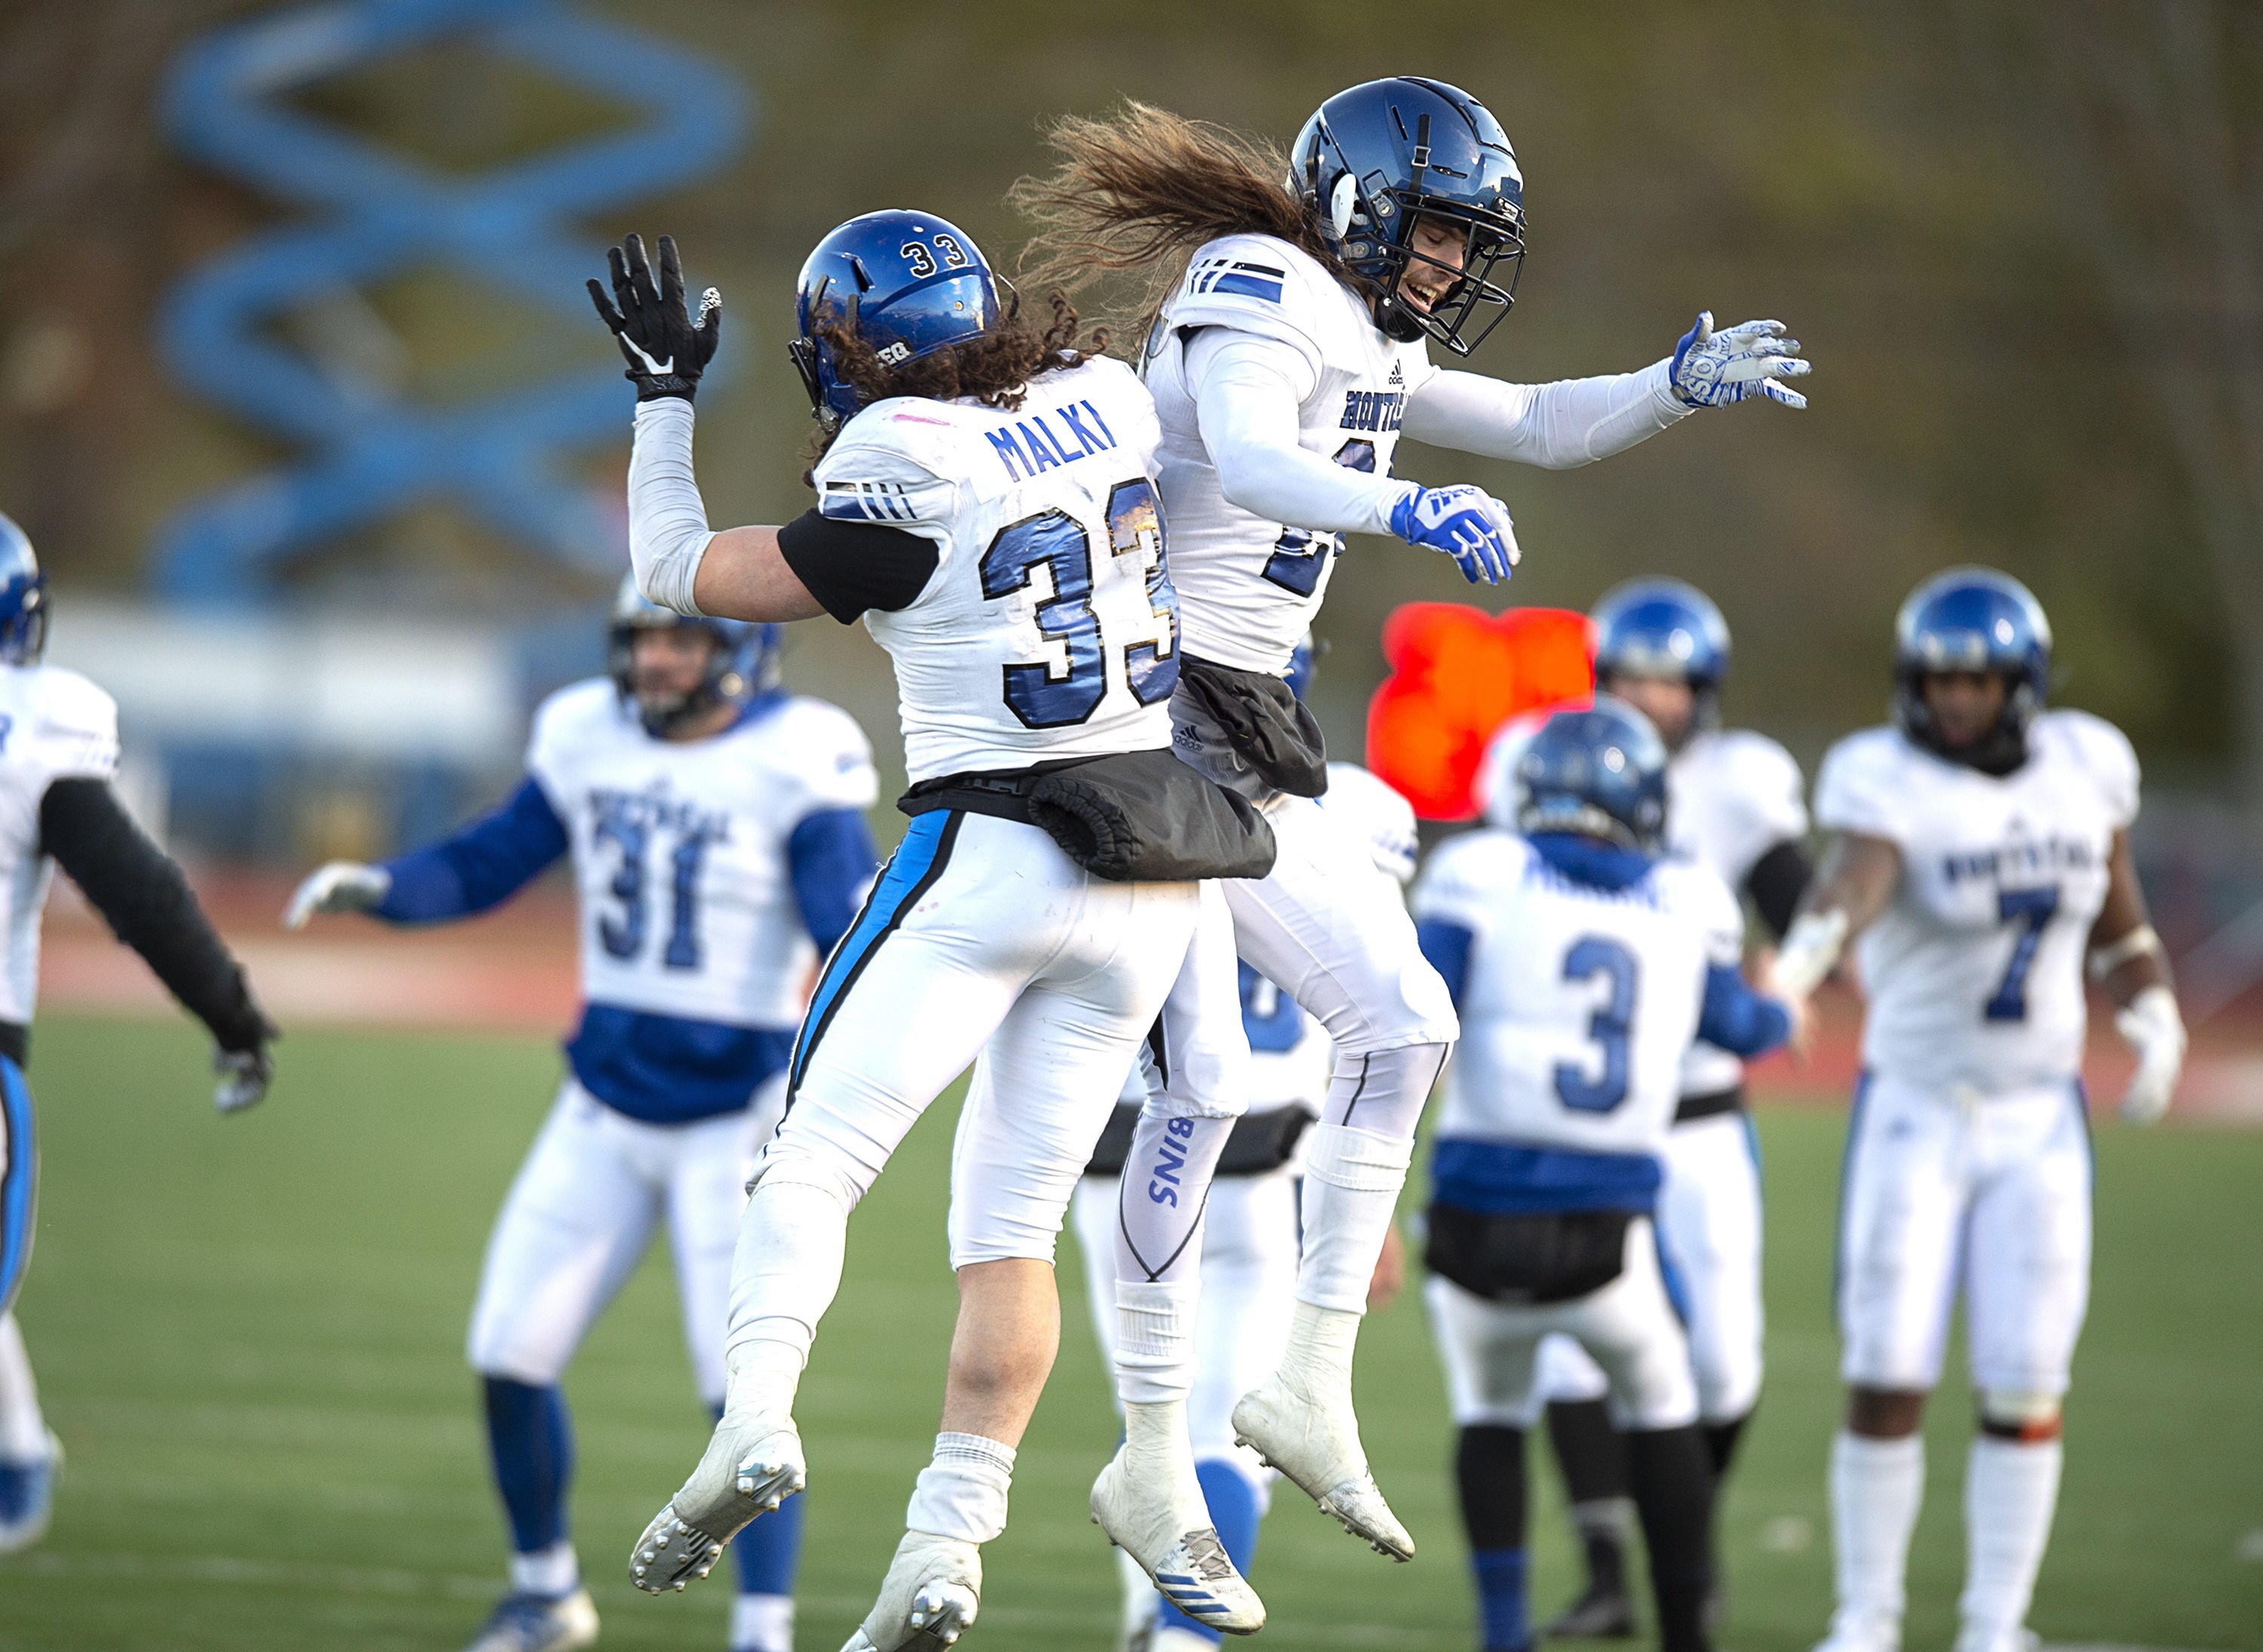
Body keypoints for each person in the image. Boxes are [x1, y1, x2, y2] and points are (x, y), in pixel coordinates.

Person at [1010, 75, 1813, 1558]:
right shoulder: (1263, 284)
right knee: (1202, 1089)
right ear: (1366, 205)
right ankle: (1148, 1444)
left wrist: (1666, 387)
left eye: (1465, 239)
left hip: (1247, 716)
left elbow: (1536, 420)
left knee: (1403, 1022)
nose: (1452, 265)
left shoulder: (1359, 322)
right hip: (1159, 708)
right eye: (1440, 230)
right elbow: (1249, 458)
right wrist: (1407, 510)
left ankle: (1306, 1383)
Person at [590, 223, 1276, 1648]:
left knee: (810, 1164)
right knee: (1011, 1231)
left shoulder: (895, 471)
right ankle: (948, 1541)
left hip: (994, 847)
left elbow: (670, 565)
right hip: (1147, 878)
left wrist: (666, 398)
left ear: (854, 355)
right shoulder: (1106, 398)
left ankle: (757, 1422)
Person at [286, 576, 878, 1652]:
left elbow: (845, 917)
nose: (651, 664)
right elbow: (490, 860)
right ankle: (546, 1590)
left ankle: (765, 1627)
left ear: (740, 649)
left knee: (741, 1397)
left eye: (678, 644)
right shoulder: (582, 732)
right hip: (603, 1101)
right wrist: (384, 886)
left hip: (735, 1116)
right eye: (639, 641)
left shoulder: (804, 751)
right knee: (510, 1351)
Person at [1768, 570, 2185, 1652]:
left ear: (2023, 683)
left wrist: (2155, 1010)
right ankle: (1866, 1617)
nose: (1957, 700)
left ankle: (1997, 1624)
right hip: (1917, 1110)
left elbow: (2120, 918)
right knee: (1888, 1370)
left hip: (2039, 1120)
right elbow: (1857, 876)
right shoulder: (1888, 779)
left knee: (2027, 1376)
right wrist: (1808, 951)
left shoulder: (2086, 769)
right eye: (1941, 680)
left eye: (1979, 681)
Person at [1409, 698, 1797, 1652]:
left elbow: (1415, 1010)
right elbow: (1740, 1030)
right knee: (1662, 1402)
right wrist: (1783, 1006)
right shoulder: (1684, 899)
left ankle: (1503, 1634)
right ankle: (1684, 1635)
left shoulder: (1479, 875)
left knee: (1489, 1410)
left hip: (1470, 1224)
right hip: (1603, 1238)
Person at [1071, 639, 1419, 1652]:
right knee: (1228, 1430)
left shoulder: (1105, 775)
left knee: (1157, 1411)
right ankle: (1180, 1635)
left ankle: (1157, 1619)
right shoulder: (1350, 812)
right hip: (1267, 1164)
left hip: (1127, 1158)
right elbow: (1380, 1003)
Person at [1525, 578, 1811, 1635]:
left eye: (1670, 683)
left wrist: (1797, 959)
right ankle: (1607, 1571)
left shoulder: (1738, 783)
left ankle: (1672, 1530)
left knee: (1730, 1354)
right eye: (1631, 681)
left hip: (1699, 1107)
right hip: (1588, 1115)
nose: (1649, 703)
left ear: (1708, 691)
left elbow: (1800, 899)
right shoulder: (1548, 757)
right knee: (1567, 1342)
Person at [0, 510, 276, 1553]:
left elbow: (138, 889)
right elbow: (142, 894)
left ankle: (20, 1449)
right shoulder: (36, 722)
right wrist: (231, 1013)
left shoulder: (33, 730)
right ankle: (21, 1445)